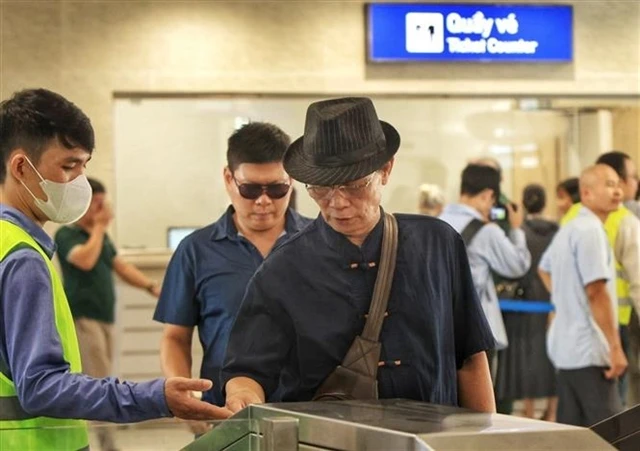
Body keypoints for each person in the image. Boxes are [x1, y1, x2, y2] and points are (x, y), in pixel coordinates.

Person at [221, 97, 496, 414]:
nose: (336, 202)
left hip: (431, 441)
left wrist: (484, 436)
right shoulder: (283, 268)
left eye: (353, 185)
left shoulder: (438, 244)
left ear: (386, 170)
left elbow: (470, 357)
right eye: (321, 188)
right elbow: (248, 370)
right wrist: (243, 395)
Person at [0, 88, 230, 450]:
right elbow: (41, 386)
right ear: (20, 167)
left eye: (84, 166)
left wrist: (155, 290)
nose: (79, 182)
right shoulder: (22, 257)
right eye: (68, 166)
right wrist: (156, 397)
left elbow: (120, 266)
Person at [153, 122, 310, 434]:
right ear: (229, 178)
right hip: (225, 415)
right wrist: (187, 397)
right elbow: (175, 337)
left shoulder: (319, 242)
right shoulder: (196, 251)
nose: (264, 201)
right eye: (251, 189)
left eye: (277, 189)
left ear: (291, 180)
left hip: (309, 413)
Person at [54, 177, 161, 450]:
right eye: (96, 204)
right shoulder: (67, 235)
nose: (101, 211)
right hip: (83, 319)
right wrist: (100, 228)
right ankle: (107, 443)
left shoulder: (100, 238)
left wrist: (151, 287)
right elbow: (85, 260)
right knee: (98, 380)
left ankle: (106, 440)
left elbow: (120, 266)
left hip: (104, 318)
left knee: (102, 376)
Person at [539, 164, 627, 427]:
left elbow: (544, 269)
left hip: (565, 352)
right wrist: (615, 348)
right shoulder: (591, 230)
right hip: (590, 352)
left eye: (617, 184)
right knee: (611, 435)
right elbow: (596, 291)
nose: (617, 191)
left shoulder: (569, 229)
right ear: (587, 194)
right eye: (609, 185)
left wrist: (565, 300)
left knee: (577, 437)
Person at [561, 152, 640, 407]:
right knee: (614, 407)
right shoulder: (627, 222)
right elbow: (638, 280)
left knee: (578, 406)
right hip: (614, 327)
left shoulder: (572, 216)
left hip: (573, 327)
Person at [439, 164, 531, 377]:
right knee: (479, 408)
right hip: (475, 334)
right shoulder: (487, 231)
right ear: (488, 195)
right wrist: (516, 228)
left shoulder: (437, 222)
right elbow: (517, 265)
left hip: (441, 328)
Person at [494, 184, 558, 421]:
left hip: (522, 305)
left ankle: (529, 413)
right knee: (551, 360)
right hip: (551, 304)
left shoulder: (519, 233)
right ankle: (551, 413)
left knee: (526, 360)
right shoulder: (558, 231)